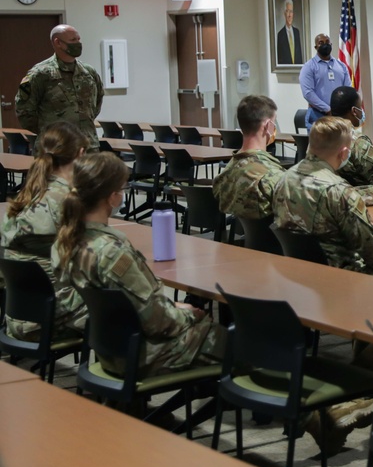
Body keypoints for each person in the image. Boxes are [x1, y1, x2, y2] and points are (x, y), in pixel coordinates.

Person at [52, 152, 225, 377]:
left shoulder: (64, 241)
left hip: (111, 348)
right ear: (113, 198)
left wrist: (170, 305)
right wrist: (190, 314)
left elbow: (129, 304)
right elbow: (158, 323)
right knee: (240, 344)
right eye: (122, 189)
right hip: (145, 353)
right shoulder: (112, 253)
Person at [273, 117, 373, 278]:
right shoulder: (339, 191)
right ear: (344, 153)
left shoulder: (283, 179)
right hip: (340, 278)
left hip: (296, 274)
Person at [1, 122, 89, 341]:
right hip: (49, 320)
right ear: (80, 154)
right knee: (125, 306)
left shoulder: (25, 196)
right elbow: (90, 263)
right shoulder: (68, 202)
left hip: (17, 315)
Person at [15, 24, 104, 152]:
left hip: (87, 145)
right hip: (54, 147)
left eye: (78, 39)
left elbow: (96, 103)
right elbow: (24, 111)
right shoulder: (41, 73)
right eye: (73, 40)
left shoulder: (88, 72)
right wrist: (48, 131)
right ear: (58, 43)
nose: (78, 43)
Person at [213, 95, 286, 221]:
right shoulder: (273, 176)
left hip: (234, 239)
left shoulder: (224, 175)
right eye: (274, 123)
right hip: (268, 240)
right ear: (268, 125)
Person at [300, 33, 351, 131]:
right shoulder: (309, 67)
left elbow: (348, 90)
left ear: (331, 44)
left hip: (339, 116)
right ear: (316, 47)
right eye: (321, 43)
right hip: (317, 115)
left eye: (327, 42)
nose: (325, 44)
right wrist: (327, 109)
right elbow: (308, 93)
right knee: (319, 146)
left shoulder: (341, 66)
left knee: (338, 145)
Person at [276, 0, 304, 65]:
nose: (289, 15)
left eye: (291, 11)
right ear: (284, 14)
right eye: (287, 11)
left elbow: (299, 56)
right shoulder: (280, 34)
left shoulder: (297, 32)